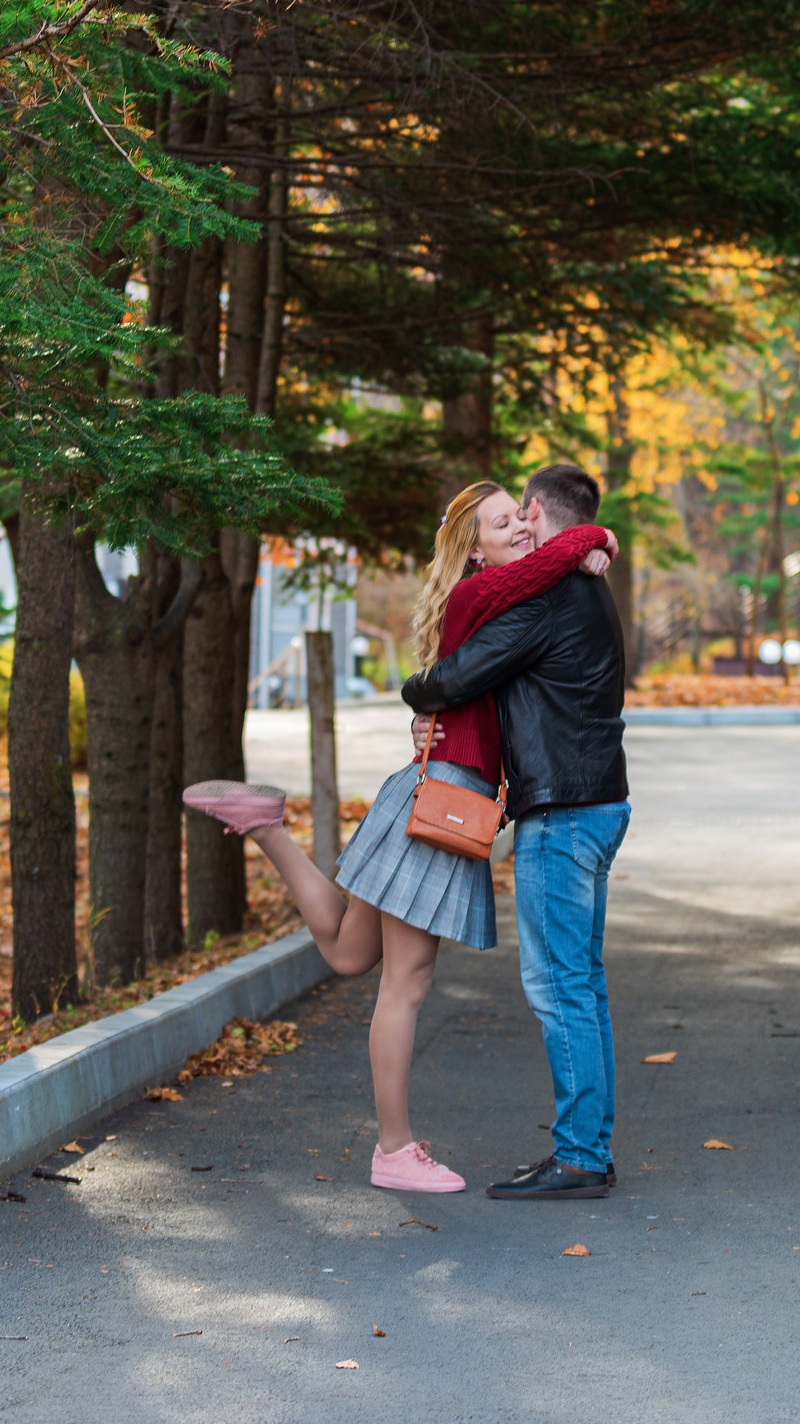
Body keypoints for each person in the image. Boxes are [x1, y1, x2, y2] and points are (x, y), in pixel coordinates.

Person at [182, 481, 614, 1194]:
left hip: (428, 788)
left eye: (520, 518)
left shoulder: (489, 598)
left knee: (350, 951)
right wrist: (593, 538)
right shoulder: (483, 593)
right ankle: (394, 1148)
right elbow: (544, 569)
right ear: (474, 547)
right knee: (404, 984)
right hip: (446, 802)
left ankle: (266, 827)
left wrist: (577, 550)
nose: (520, 531)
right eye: (503, 523)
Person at [402, 464, 630, 1202]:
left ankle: (580, 1158)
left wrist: (416, 693)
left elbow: (457, 674)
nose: (519, 529)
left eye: (520, 517)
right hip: (597, 803)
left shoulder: (548, 594)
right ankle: (587, 1146)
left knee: (559, 985)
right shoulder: (587, 584)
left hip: (561, 813)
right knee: (582, 984)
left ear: (537, 512)